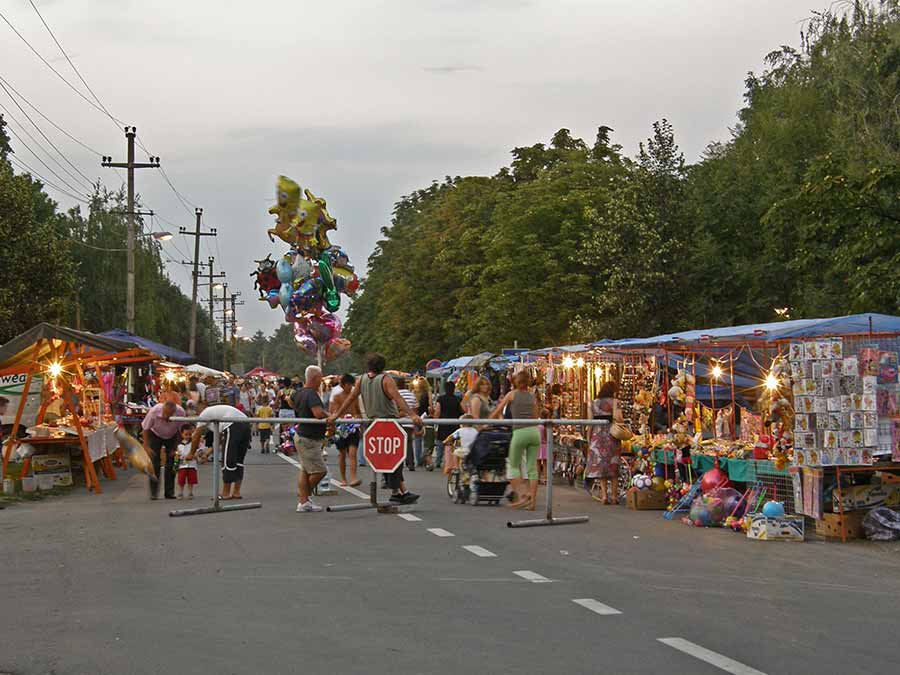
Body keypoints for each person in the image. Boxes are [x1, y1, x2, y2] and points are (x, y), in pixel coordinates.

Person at [328, 352, 421, 504]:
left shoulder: (362, 380)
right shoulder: (386, 379)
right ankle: (399, 491)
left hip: (374, 424)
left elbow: (350, 399)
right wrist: (412, 415)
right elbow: (398, 398)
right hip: (389, 422)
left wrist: (336, 415)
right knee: (394, 458)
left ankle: (399, 491)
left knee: (388, 458)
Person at [491, 370, 540, 510]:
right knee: (532, 468)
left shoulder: (512, 394)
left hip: (519, 432)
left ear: (516, 382)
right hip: (534, 432)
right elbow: (536, 416)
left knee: (513, 466)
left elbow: (497, 411)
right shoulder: (532, 396)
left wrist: (485, 422)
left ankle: (523, 496)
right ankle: (532, 502)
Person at [189, 403, 251, 499]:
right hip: (245, 422)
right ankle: (236, 492)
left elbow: (196, 436)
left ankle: (225, 493)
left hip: (232, 423)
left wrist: (191, 453)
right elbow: (219, 439)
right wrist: (208, 453)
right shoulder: (216, 415)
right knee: (238, 460)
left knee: (228, 460)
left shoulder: (204, 414)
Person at [292, 365, 329, 512]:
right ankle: (304, 496)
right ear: (315, 378)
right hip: (308, 438)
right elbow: (318, 413)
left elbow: (290, 400)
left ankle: (304, 501)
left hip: (303, 435)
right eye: (320, 378)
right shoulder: (312, 394)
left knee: (305, 470)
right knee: (320, 471)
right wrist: (330, 415)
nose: (321, 381)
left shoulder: (299, 392)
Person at [141, 399, 186, 500]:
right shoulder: (154, 411)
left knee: (172, 463)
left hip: (172, 435)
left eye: (170, 415)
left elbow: (181, 431)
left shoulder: (181, 412)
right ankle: (154, 493)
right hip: (155, 434)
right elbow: (145, 429)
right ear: (163, 410)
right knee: (154, 463)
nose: (167, 417)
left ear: (174, 412)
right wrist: (146, 446)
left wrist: (176, 447)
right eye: (165, 414)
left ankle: (169, 492)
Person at [588, 381, 623, 505]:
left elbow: (590, 423)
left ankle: (604, 496)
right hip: (612, 436)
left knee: (601, 467)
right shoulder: (615, 402)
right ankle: (614, 496)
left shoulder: (593, 403)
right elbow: (619, 418)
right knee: (613, 466)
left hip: (597, 437)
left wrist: (589, 438)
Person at [329, 374, 361, 487]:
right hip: (341, 427)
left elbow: (358, 411)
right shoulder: (337, 396)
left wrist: (357, 417)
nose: (350, 387)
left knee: (353, 453)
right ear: (342, 385)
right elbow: (332, 411)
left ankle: (353, 477)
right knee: (342, 454)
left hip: (353, 427)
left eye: (352, 385)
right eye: (348, 385)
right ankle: (343, 479)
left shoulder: (355, 396)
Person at [432, 381, 463, 472]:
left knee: (440, 443)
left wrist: (435, 420)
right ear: (454, 389)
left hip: (443, 423)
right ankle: (452, 462)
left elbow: (437, 411)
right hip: (454, 424)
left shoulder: (440, 399)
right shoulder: (458, 399)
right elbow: (462, 411)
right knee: (453, 444)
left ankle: (438, 461)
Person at [175, 424, 198, 499]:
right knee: (181, 480)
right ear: (182, 434)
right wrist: (177, 459)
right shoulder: (178, 445)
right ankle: (180, 492)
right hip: (182, 465)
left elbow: (197, 452)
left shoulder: (193, 443)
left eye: (190, 434)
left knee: (191, 480)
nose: (188, 436)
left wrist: (194, 455)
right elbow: (177, 454)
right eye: (186, 434)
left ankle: (190, 492)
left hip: (192, 465)